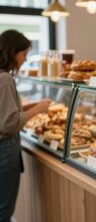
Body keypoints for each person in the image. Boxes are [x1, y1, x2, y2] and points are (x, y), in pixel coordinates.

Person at [0, 30, 51, 222]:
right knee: (4, 211)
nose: (25, 59)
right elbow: (9, 123)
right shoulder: (5, 78)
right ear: (12, 53)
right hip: (5, 150)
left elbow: (5, 111)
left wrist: (30, 106)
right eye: (23, 54)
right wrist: (37, 109)